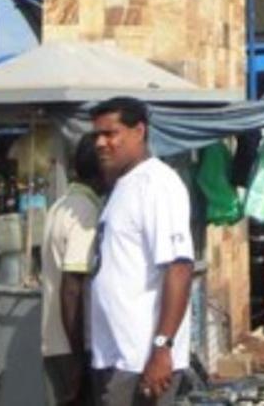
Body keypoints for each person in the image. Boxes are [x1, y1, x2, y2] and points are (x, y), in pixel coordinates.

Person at [89, 97, 194, 406]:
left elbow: (179, 267)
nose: (101, 143)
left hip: (142, 358)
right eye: (96, 135)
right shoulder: (123, 186)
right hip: (115, 355)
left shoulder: (158, 184)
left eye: (111, 133)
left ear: (139, 131)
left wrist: (163, 348)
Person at [42, 133, 102, 406]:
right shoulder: (84, 211)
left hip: (56, 342)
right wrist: (80, 359)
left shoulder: (60, 205)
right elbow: (72, 288)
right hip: (74, 346)